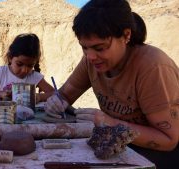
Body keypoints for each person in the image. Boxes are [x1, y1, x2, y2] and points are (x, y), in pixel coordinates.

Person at [45, 0, 179, 168]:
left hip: (162, 155)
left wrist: (109, 122)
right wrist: (56, 102)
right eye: (84, 48)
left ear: (126, 35)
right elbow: (65, 94)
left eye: (100, 48)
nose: (91, 56)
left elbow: (168, 140)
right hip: (119, 143)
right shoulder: (91, 61)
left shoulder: (153, 67)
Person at [0, 33, 54, 103]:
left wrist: (39, 96)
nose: (25, 70)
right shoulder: (0, 73)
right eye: (19, 64)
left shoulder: (35, 77)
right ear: (10, 58)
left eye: (30, 66)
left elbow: (55, 94)